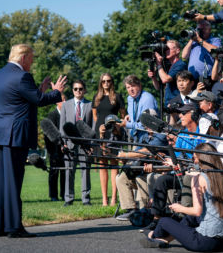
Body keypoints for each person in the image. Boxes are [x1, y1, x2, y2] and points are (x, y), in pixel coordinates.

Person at [0, 44, 66, 238]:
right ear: (23, 58)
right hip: (14, 137)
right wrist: (57, 92)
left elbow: (19, 99)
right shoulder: (22, 76)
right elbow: (38, 100)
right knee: (12, 182)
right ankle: (14, 228)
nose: (33, 62)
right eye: (32, 58)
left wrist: (39, 89)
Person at [142, 143, 223, 252]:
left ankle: (153, 235)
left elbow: (197, 211)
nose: (193, 161)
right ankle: (165, 240)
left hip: (204, 242)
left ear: (201, 159)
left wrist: (179, 208)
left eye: (194, 158)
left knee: (164, 221)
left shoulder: (198, 179)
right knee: (189, 219)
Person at [92, 73, 126, 207]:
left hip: (113, 133)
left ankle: (113, 199)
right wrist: (100, 128)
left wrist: (115, 127)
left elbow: (123, 117)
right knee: (102, 165)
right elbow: (95, 116)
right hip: (100, 133)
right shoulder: (96, 97)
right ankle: (104, 199)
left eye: (109, 81)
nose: (106, 83)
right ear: (100, 83)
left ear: (112, 82)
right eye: (104, 81)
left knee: (113, 165)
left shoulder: (117, 97)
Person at [60, 80, 93, 207]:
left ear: (84, 90)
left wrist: (90, 144)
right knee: (69, 170)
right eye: (75, 89)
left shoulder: (90, 105)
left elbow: (92, 126)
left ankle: (86, 199)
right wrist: (63, 142)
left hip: (84, 144)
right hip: (69, 143)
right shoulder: (66, 105)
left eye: (80, 89)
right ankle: (68, 199)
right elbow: (62, 125)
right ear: (72, 91)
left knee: (85, 170)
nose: (78, 91)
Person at [118, 74, 158, 143]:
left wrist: (127, 124)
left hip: (148, 137)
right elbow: (136, 116)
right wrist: (130, 117)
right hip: (135, 136)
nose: (131, 90)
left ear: (139, 86)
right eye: (128, 87)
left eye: (133, 86)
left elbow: (146, 125)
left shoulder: (147, 99)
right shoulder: (130, 98)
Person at [148, 39, 187, 106]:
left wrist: (159, 64)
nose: (166, 51)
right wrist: (153, 77)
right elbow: (158, 87)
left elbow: (166, 79)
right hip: (169, 104)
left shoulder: (180, 64)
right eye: (165, 49)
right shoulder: (168, 67)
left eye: (168, 49)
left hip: (178, 104)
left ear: (177, 50)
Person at [43, 94, 66, 202]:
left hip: (65, 149)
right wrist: (52, 151)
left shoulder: (67, 115)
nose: (64, 102)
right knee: (54, 172)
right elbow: (48, 134)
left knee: (65, 172)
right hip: (54, 149)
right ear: (57, 102)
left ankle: (64, 194)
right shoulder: (51, 115)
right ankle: (53, 195)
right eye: (62, 100)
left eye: (65, 100)